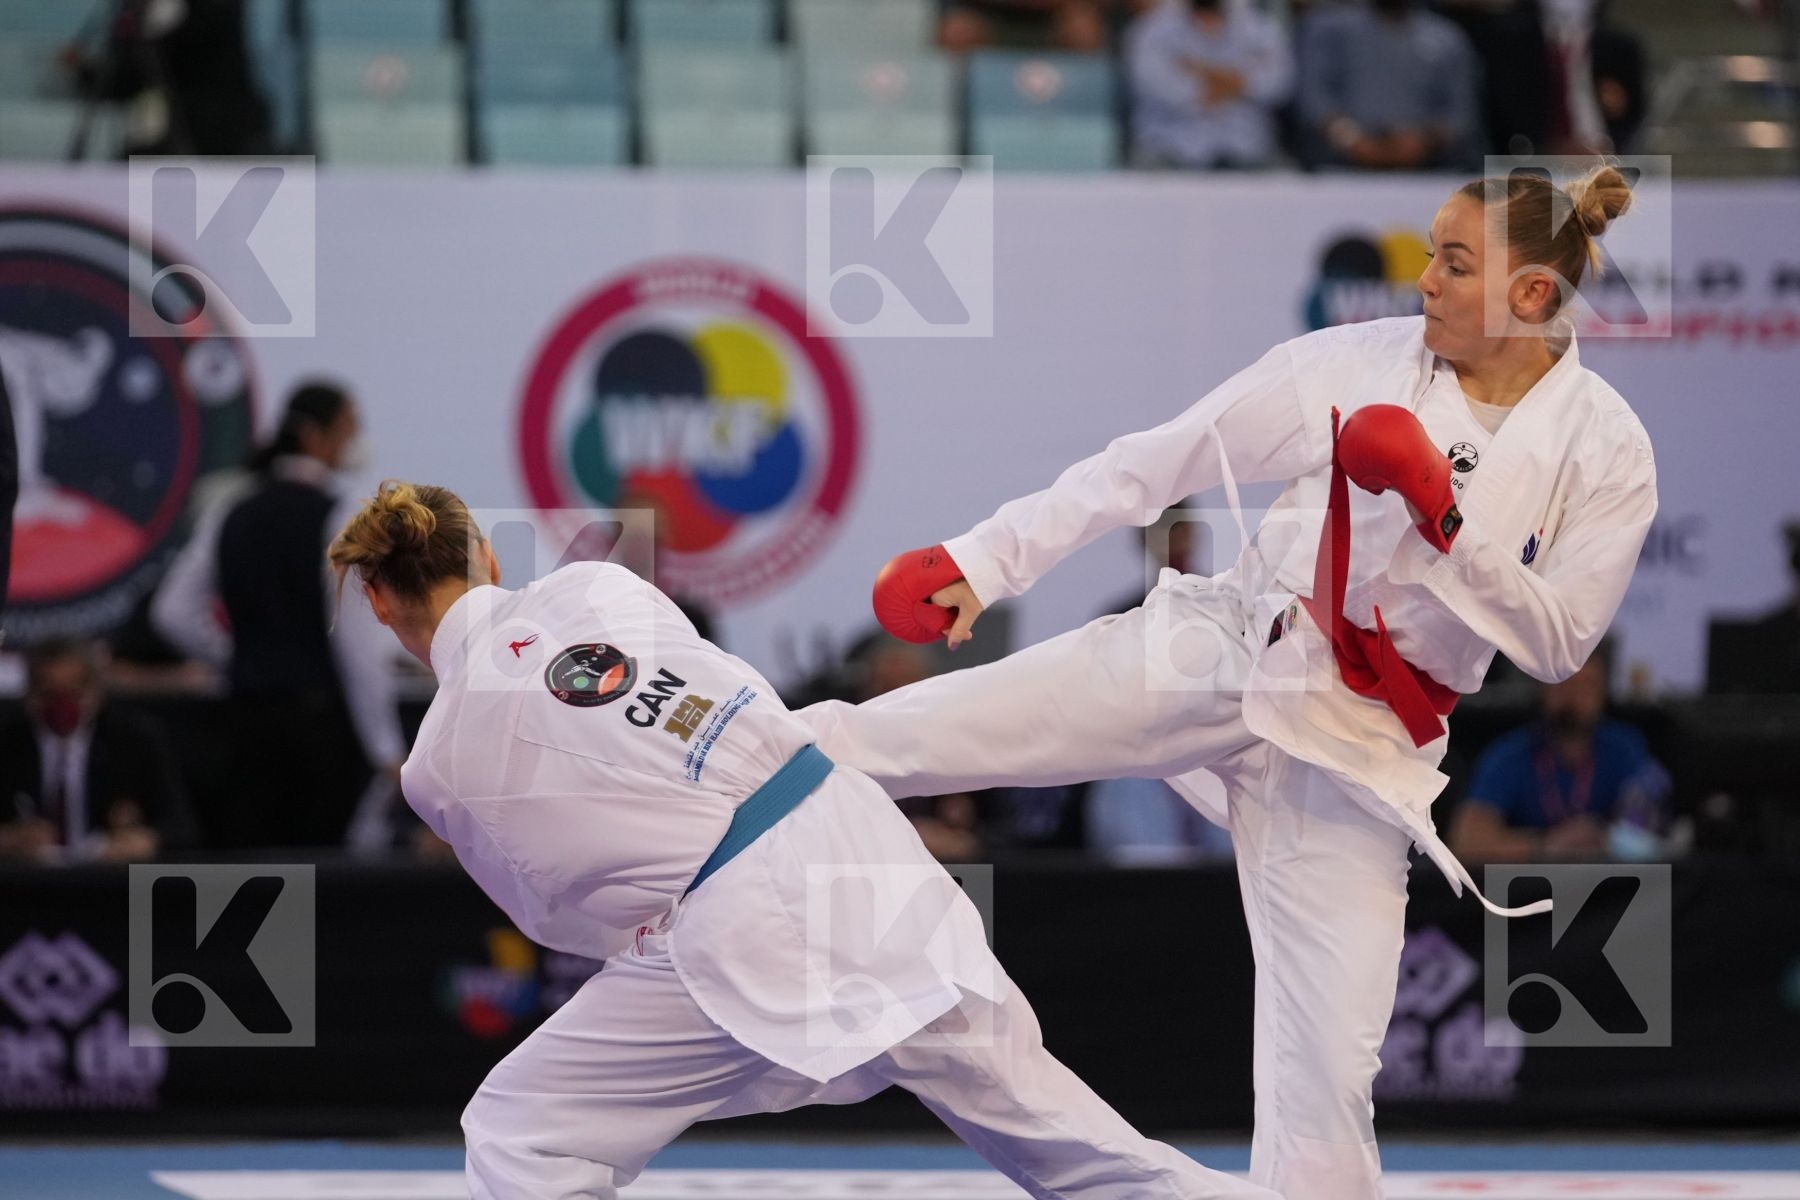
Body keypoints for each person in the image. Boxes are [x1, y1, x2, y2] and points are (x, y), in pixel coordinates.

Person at [799, 164, 1656, 1200]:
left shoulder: (1607, 448)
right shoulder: (1358, 363)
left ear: (1532, 297)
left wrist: (1449, 524)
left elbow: (1561, 643)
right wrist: (986, 559)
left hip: (1358, 745)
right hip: (1229, 646)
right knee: (903, 736)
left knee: (1328, 1084)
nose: (1423, 278)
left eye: (1455, 261)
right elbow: (1155, 462)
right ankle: (684, 781)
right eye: (1430, 251)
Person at [328, 481, 1278, 1200]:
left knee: (522, 1131)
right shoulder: (593, 587)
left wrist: (649, 906)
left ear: (376, 600)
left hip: (742, 922)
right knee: (1063, 1137)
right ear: (487, 556)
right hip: (850, 830)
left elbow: (556, 908)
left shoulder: (436, 761)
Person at [153, 380, 403, 848]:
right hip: (318, 733)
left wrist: (240, 657)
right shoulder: (339, 513)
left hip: (244, 723)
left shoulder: (231, 507)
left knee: (257, 877)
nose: (354, 442)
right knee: (321, 881)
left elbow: (172, 612)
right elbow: (353, 642)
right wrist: (386, 748)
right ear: (315, 436)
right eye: (348, 428)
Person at [1448, 640, 1672, 864]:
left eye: (1587, 685)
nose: (1574, 697)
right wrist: (1545, 845)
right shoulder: (1510, 755)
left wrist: (1608, 839)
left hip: (1608, 888)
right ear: (1543, 688)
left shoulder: (1624, 748)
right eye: (1565, 683)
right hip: (1528, 889)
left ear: (1603, 694)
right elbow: (1466, 841)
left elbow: (1650, 825)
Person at [0, 637, 193, 862]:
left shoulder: (134, 739)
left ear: (96, 692)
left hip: (106, 883)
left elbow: (183, 827)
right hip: (28, 884)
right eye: (50, 694)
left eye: (73, 693)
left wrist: (146, 840)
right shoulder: (7, 742)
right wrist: (7, 839)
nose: (63, 705)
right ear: (30, 695)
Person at [1294, 0, 1482, 171]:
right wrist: (1351, 139)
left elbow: (1460, 109)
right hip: (1342, 162)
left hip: (1427, 164)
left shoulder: (1447, 37)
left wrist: (1423, 142)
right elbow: (1314, 95)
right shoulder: (1331, 28)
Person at [1124, 0, 1295, 170]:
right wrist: (1239, 80)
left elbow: (1278, 84)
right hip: (1170, 149)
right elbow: (1161, 89)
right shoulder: (1152, 28)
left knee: (1286, 175)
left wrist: (1201, 70)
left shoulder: (1261, 27)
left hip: (1248, 150)